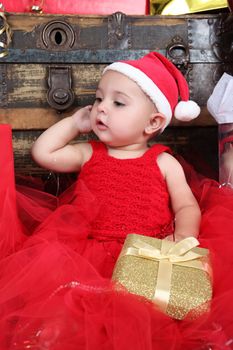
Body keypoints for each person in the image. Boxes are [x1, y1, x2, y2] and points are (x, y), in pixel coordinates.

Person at [0, 52, 233, 350]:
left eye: (117, 102)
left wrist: (184, 236)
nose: (101, 109)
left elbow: (186, 205)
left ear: (153, 122)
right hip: (89, 255)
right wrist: (74, 123)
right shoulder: (89, 153)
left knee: (144, 318)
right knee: (77, 313)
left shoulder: (162, 161)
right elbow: (44, 153)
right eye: (98, 99)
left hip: (146, 254)